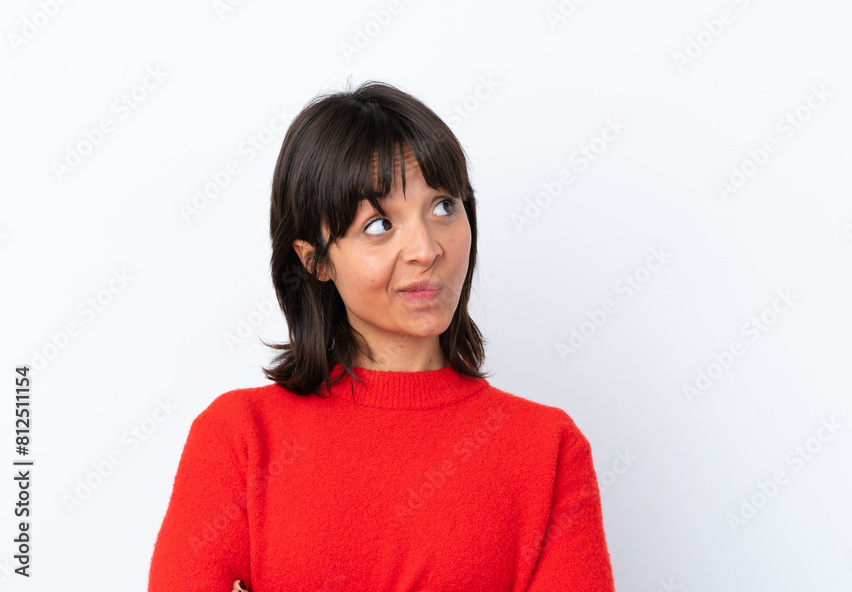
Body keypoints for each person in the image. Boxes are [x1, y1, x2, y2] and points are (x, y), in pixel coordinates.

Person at [147, 80, 616, 591]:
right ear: (316, 260)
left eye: (443, 206)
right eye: (378, 225)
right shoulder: (240, 438)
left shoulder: (547, 449)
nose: (426, 249)